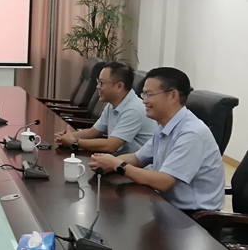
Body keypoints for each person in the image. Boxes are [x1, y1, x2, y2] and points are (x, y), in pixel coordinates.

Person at [89, 67, 225, 212]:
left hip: (193, 217)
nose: (144, 101)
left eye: (149, 94)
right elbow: (137, 159)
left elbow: (163, 182)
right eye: (144, 94)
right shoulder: (165, 126)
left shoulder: (191, 133)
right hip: (167, 206)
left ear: (173, 96)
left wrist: (117, 165)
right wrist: (106, 162)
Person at [55, 62, 157, 154]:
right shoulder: (112, 104)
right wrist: (68, 136)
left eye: (102, 83)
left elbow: (110, 146)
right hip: (119, 161)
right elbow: (93, 132)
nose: (97, 87)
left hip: (136, 166)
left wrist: (74, 142)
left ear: (119, 86)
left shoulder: (134, 110)